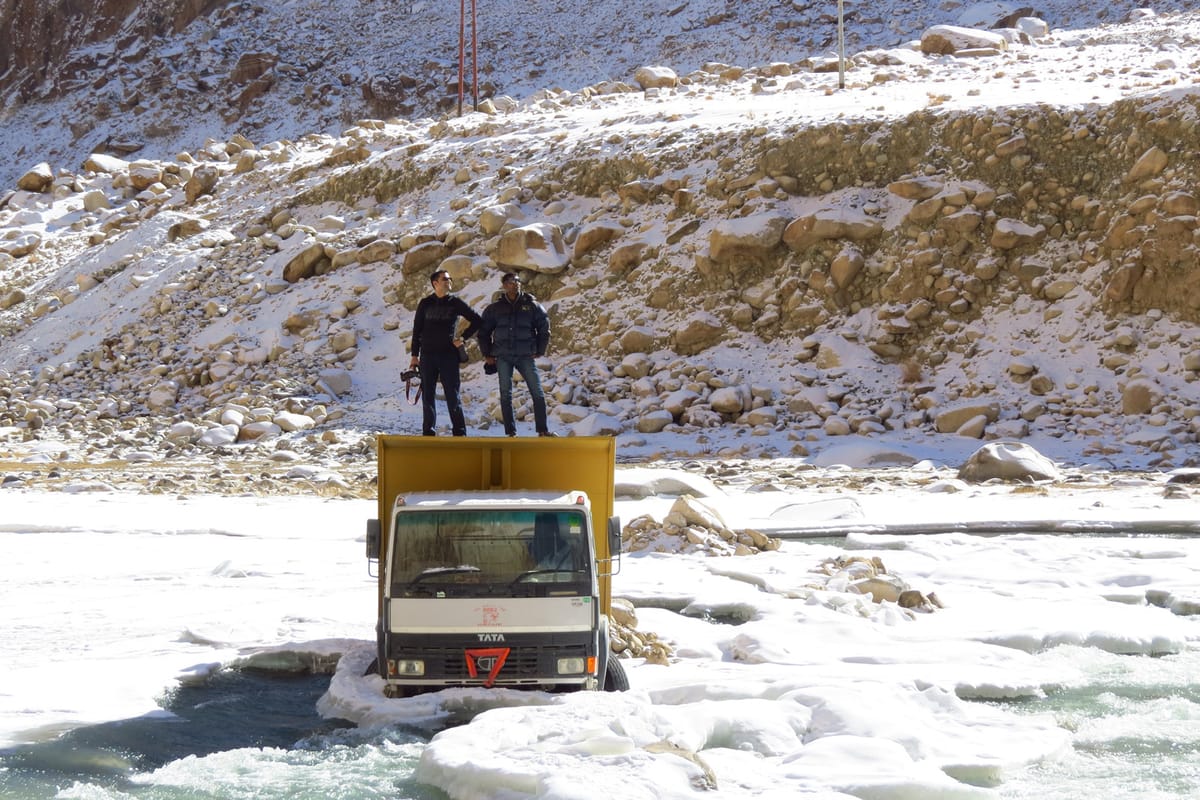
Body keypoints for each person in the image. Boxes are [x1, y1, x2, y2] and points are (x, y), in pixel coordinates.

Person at [479, 272, 554, 437]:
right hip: (502, 356)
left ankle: (543, 430)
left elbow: (544, 328)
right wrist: (487, 354)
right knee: (506, 394)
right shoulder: (494, 309)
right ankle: (511, 432)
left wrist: (540, 350)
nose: (516, 283)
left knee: (537, 392)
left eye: (518, 281)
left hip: (525, 355)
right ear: (504, 285)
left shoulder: (532, 305)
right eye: (512, 281)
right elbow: (483, 332)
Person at [410, 269, 481, 436]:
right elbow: (417, 330)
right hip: (427, 355)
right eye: (445, 279)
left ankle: (460, 433)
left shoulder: (454, 302)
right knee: (428, 396)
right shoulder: (425, 303)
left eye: (450, 279)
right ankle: (428, 432)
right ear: (435, 283)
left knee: (453, 395)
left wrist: (462, 338)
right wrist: (414, 356)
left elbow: (477, 320)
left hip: (448, 355)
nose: (449, 281)